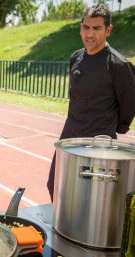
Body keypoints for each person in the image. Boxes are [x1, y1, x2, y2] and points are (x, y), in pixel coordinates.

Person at [47, 3, 135, 201]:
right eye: (86, 27)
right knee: (55, 186)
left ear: (108, 30)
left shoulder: (119, 65)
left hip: (99, 142)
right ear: (80, 27)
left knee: (89, 199)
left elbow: (129, 104)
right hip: (70, 136)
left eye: (96, 28)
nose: (89, 34)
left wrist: (116, 127)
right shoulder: (75, 58)